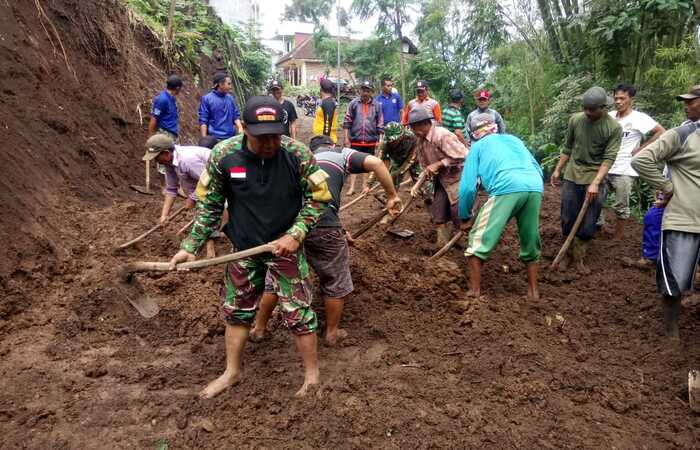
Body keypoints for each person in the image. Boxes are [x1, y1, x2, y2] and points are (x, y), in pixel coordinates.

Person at [169, 96, 332, 398]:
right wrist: (192, 244)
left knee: (298, 310)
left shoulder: (297, 153)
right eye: (262, 137)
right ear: (243, 128)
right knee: (237, 311)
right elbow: (210, 205)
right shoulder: (224, 156)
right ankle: (232, 371)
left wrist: (296, 234)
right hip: (244, 249)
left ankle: (312, 376)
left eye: (275, 135)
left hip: (286, 247)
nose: (270, 143)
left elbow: (319, 198)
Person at [250, 135, 403, 346]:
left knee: (277, 277)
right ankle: (332, 333)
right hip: (323, 223)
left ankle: (259, 328)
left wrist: (339, 230)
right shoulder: (340, 154)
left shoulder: (301, 159)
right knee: (334, 277)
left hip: (289, 227)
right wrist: (392, 195)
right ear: (331, 145)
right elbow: (376, 162)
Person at [631, 84, 700, 338]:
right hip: (683, 220)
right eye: (686, 101)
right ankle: (672, 336)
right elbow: (641, 159)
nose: (687, 105)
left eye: (692, 101)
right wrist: (666, 187)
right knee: (674, 281)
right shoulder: (681, 134)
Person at [458, 114, 544, 300]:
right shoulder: (514, 139)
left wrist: (464, 217)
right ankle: (533, 292)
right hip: (535, 185)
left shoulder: (477, 147)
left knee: (478, 240)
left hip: (506, 186)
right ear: (495, 127)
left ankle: (474, 293)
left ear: (473, 134)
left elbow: (466, 188)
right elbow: (538, 168)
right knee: (530, 238)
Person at [550, 86, 621, 273]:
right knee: (567, 215)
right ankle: (566, 253)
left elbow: (609, 158)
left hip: (595, 176)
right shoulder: (575, 120)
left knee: (589, 221)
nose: (587, 112)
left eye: (592, 109)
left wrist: (596, 183)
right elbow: (567, 148)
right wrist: (558, 169)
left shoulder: (613, 128)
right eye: (585, 108)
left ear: (603, 107)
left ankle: (579, 256)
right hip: (573, 174)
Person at [603, 83, 665, 239]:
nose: (618, 102)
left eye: (622, 98)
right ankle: (598, 230)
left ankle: (619, 238)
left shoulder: (639, 118)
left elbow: (661, 131)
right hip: (605, 166)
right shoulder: (609, 116)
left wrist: (641, 148)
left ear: (631, 99)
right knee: (596, 201)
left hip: (624, 168)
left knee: (621, 204)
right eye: (616, 98)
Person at [408, 108, 468, 248]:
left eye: (413, 127)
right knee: (438, 213)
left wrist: (440, 163)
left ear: (424, 124)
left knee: (457, 212)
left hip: (457, 178)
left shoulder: (442, 135)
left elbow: (464, 155)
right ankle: (442, 245)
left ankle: (467, 244)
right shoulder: (421, 141)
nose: (412, 130)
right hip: (441, 180)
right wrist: (416, 186)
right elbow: (427, 168)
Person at [141, 134, 210, 225]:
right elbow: (171, 189)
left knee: (216, 212)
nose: (156, 161)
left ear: (166, 153)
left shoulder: (187, 160)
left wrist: (193, 198)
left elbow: (208, 181)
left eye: (156, 157)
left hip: (228, 176)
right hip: (209, 186)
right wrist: (164, 216)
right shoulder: (169, 162)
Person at [343, 80, 384, 195]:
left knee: (367, 164)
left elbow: (380, 123)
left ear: (371, 92)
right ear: (360, 91)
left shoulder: (377, 105)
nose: (365, 93)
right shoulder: (353, 104)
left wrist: (380, 140)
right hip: (355, 139)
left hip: (370, 141)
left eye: (368, 90)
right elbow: (347, 121)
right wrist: (346, 138)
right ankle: (351, 187)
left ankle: (364, 186)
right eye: (364, 90)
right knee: (353, 164)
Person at [367, 121, 420, 189]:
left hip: (413, 160)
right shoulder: (385, 143)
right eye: (391, 141)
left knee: (422, 184)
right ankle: (388, 197)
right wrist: (369, 184)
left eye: (395, 140)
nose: (393, 142)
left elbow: (411, 160)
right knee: (391, 185)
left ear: (402, 135)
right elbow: (377, 162)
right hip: (397, 161)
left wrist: (397, 173)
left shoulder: (412, 138)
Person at [198, 73, 243, 142]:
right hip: (215, 139)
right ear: (220, 84)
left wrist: (240, 127)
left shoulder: (230, 98)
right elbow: (203, 120)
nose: (231, 87)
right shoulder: (207, 99)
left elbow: (235, 115)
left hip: (231, 138)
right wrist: (204, 139)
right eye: (229, 84)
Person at [149, 75, 182, 140]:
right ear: (177, 88)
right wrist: (151, 140)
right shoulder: (162, 99)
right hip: (164, 135)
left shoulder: (172, 98)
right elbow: (153, 119)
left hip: (172, 135)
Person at [313, 78, 339, 143]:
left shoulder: (328, 103)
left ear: (321, 89)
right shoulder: (326, 101)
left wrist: (326, 141)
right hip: (322, 138)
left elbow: (328, 123)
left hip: (326, 140)